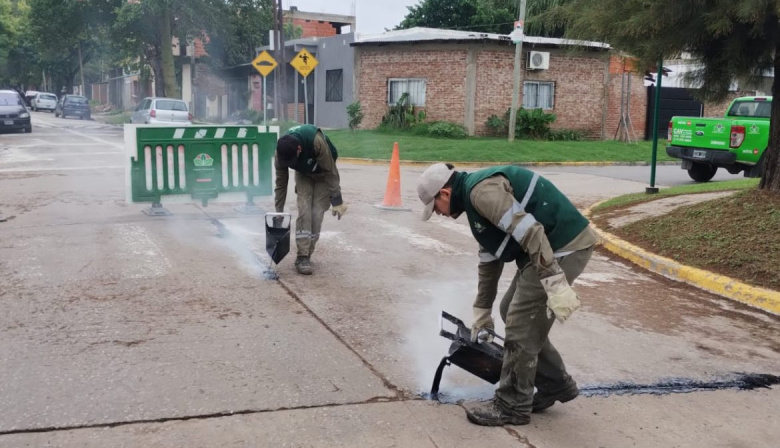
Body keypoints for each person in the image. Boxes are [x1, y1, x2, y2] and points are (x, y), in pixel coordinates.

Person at [417, 163, 596, 426]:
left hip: (563, 247)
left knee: (521, 322)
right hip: (545, 249)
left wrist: (553, 281)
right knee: (509, 310)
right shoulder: (474, 203)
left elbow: (531, 231)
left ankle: (512, 405)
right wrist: (482, 313)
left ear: (444, 193)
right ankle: (555, 384)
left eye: (435, 208)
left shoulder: (481, 193)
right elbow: (489, 264)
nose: (438, 214)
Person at [274, 124, 347, 275]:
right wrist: (278, 212)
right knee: (304, 209)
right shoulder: (281, 152)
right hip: (304, 175)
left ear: (299, 149)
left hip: (323, 175)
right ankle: (302, 256)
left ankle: (309, 252)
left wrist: (337, 200)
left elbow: (331, 171)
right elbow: (281, 183)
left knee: (317, 212)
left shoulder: (316, 142)